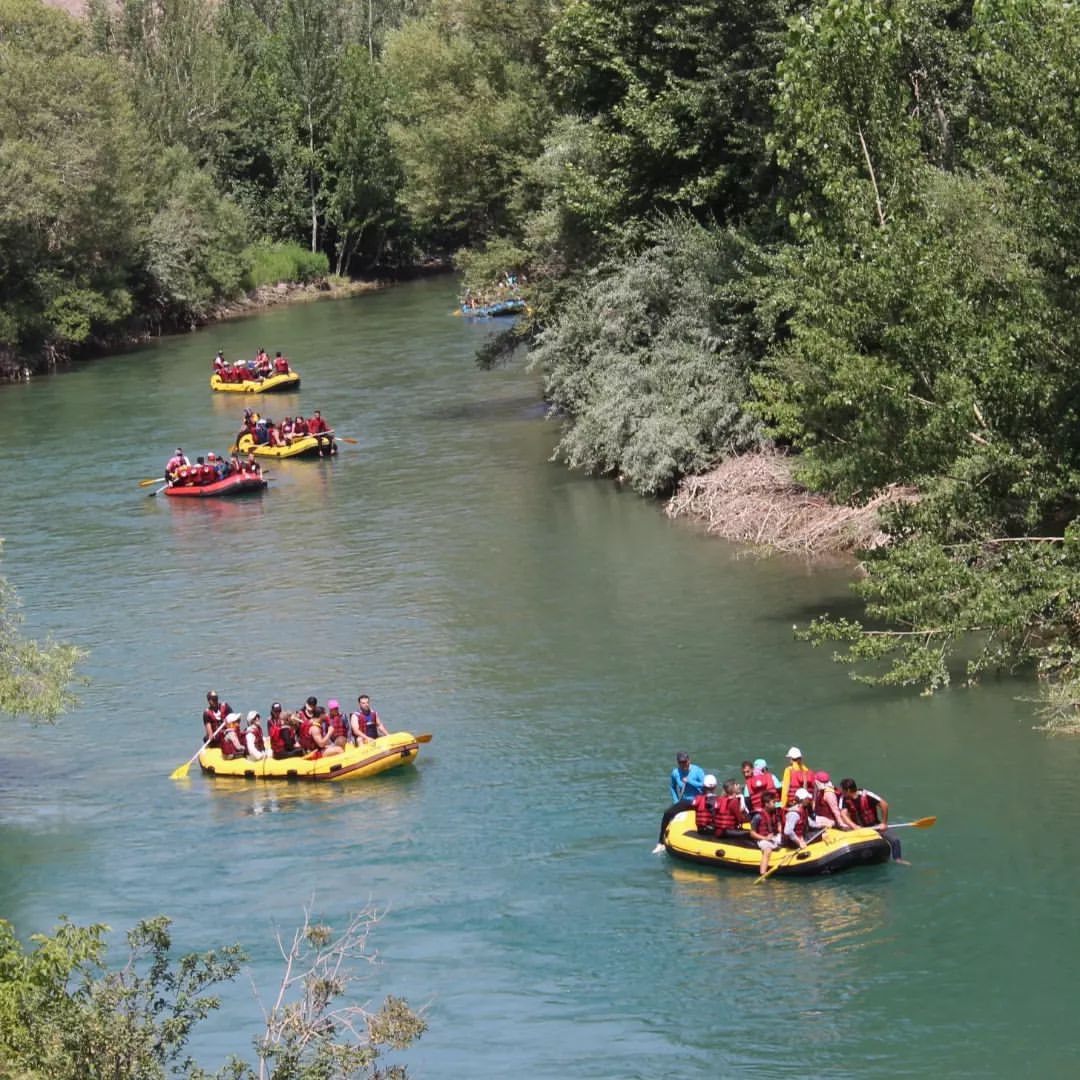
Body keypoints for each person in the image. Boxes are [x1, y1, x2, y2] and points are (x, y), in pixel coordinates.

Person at [838, 778, 907, 862]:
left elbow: (884, 805)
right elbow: (843, 814)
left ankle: (898, 859)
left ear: (848, 790)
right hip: (858, 829)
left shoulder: (867, 795)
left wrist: (884, 823)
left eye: (842, 790)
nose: (841, 792)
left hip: (875, 826)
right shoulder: (843, 799)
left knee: (895, 840)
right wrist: (854, 826)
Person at [653, 751, 708, 853]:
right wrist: (676, 801)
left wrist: (690, 781)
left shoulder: (697, 770)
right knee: (667, 813)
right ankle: (660, 843)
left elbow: (704, 785)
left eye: (685, 762)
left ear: (689, 760)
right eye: (680, 763)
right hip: (685, 801)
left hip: (698, 800)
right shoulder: (675, 773)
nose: (683, 765)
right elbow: (673, 787)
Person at [749, 789, 783, 876]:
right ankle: (762, 873)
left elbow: (779, 825)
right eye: (773, 802)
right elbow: (752, 833)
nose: (775, 804)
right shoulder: (758, 816)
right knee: (767, 850)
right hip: (762, 839)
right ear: (766, 804)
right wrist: (765, 838)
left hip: (774, 837)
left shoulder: (775, 812)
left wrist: (782, 832)